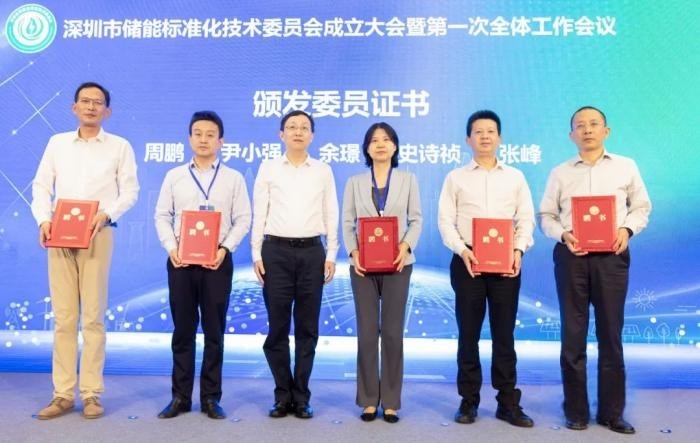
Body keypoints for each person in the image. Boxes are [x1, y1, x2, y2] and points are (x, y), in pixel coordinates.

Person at [538, 106, 651, 434]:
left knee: (610, 335)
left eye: (594, 124)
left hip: (611, 258)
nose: (587, 130)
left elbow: (642, 207)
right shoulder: (560, 173)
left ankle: (612, 412)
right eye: (580, 125)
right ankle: (576, 411)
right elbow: (546, 215)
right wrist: (563, 235)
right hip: (572, 257)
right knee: (572, 335)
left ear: (606, 131)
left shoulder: (626, 167)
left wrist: (626, 230)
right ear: (571, 135)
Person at [31, 82, 139, 419]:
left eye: (98, 102)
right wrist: (43, 219)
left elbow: (130, 191)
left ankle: (91, 393)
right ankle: (62, 394)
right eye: (85, 101)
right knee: (64, 318)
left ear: (108, 111)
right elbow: (41, 185)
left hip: (97, 234)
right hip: (59, 235)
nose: (91, 107)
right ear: (74, 107)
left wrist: (106, 214)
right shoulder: (57, 143)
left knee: (93, 317)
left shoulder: (119, 146)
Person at [437, 110, 535, 428]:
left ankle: (508, 402)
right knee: (468, 334)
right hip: (468, 263)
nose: (485, 136)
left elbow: (526, 219)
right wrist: (462, 250)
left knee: (504, 334)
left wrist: (518, 250)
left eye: (490, 131)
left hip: (506, 265)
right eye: (478, 131)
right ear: (468, 139)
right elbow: (445, 221)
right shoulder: (456, 177)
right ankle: (468, 400)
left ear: (500, 138)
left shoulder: (515, 177)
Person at [154, 111, 251, 419]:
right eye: (198, 133)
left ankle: (211, 398)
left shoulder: (233, 178)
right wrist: (171, 247)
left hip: (216, 263)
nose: (203, 139)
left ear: (221, 141)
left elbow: (243, 219)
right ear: (189, 138)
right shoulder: (175, 176)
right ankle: (180, 397)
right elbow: (162, 216)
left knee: (214, 331)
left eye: (210, 134)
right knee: (183, 331)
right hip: (181, 261)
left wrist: (225, 248)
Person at [251, 110, 339, 419]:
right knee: (277, 328)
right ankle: (281, 394)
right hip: (275, 252)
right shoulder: (269, 168)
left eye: (304, 127)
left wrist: (331, 254)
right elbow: (259, 211)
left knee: (307, 329)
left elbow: (331, 212)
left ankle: (301, 396)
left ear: (312, 136)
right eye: (291, 127)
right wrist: (256, 253)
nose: (298, 132)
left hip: (312, 252)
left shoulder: (323, 170)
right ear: (282, 134)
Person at [342, 122, 422, 423]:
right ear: (366, 148)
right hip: (363, 266)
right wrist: (354, 252)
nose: (380, 144)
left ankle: (390, 401)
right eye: (374, 140)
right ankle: (367, 400)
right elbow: (347, 222)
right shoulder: (354, 182)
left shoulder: (408, 180)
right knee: (366, 333)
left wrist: (405, 246)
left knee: (391, 333)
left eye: (386, 139)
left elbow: (416, 220)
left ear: (395, 146)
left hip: (398, 265)